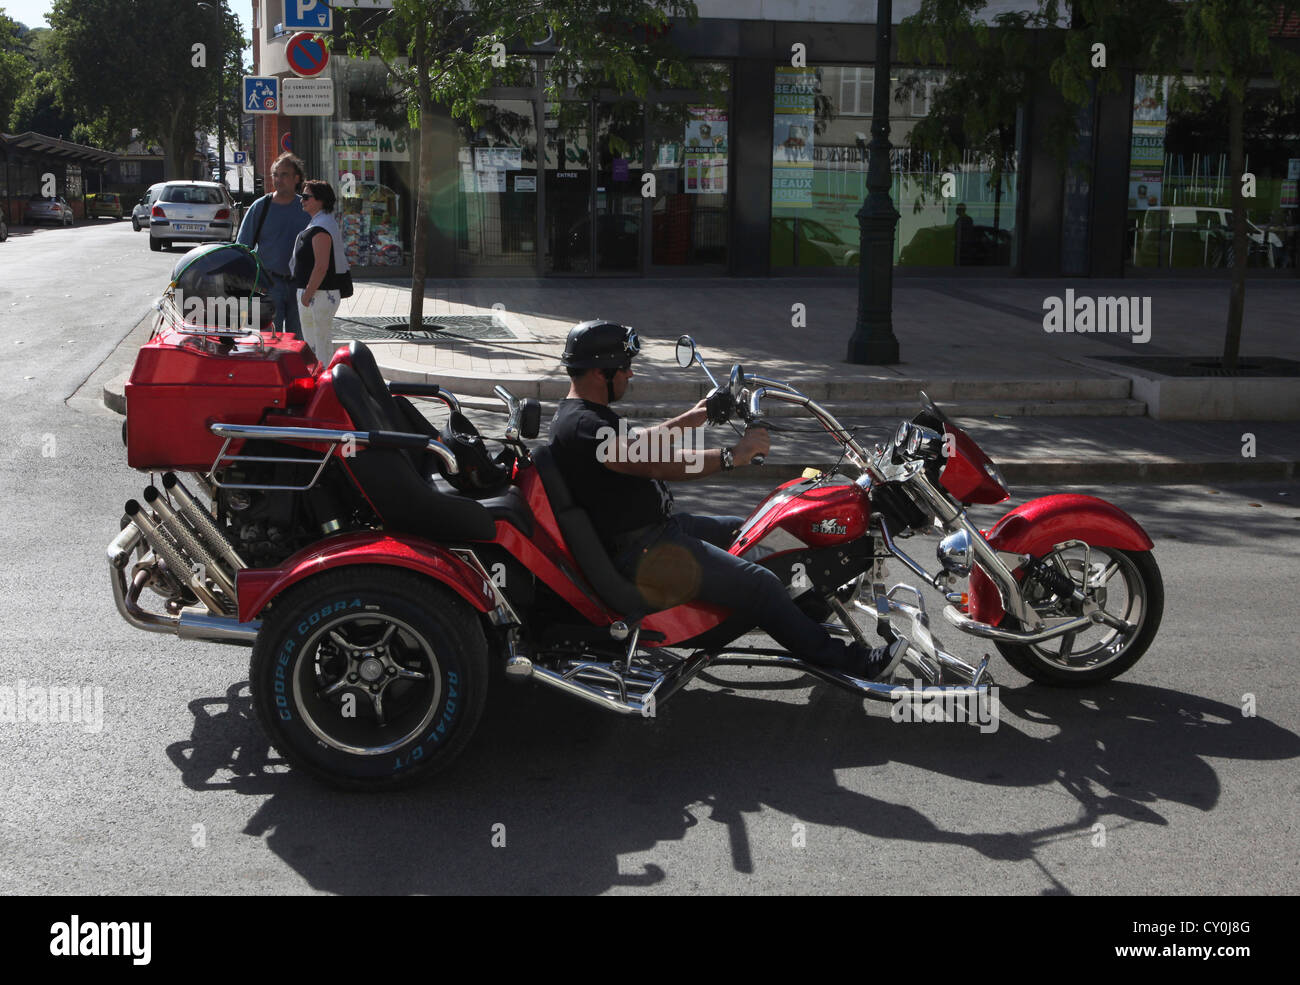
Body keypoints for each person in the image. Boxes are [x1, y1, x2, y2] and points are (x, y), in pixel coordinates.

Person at [547, 321, 903, 681]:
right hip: (643, 552)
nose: (630, 372)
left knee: (766, 531)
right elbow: (653, 461)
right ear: (598, 371)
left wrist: (699, 414)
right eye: (623, 366)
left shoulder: (585, 417)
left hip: (657, 532)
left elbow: (641, 443)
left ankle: (804, 612)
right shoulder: (582, 426)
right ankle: (855, 663)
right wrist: (733, 456)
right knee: (760, 584)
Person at [236, 152, 310, 337]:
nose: (278, 179)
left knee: (299, 342)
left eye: (284, 174)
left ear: (296, 178)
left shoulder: (307, 208)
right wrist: (251, 283)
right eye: (275, 175)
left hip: (300, 286)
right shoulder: (260, 207)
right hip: (267, 286)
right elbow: (242, 249)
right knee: (266, 341)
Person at [290, 179, 349, 362]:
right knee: (314, 342)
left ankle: (323, 382)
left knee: (319, 343)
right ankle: (320, 379)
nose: (302, 200)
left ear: (321, 200)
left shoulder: (322, 227)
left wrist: (307, 294)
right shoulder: (319, 223)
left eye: (306, 196)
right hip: (317, 293)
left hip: (320, 294)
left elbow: (321, 266)